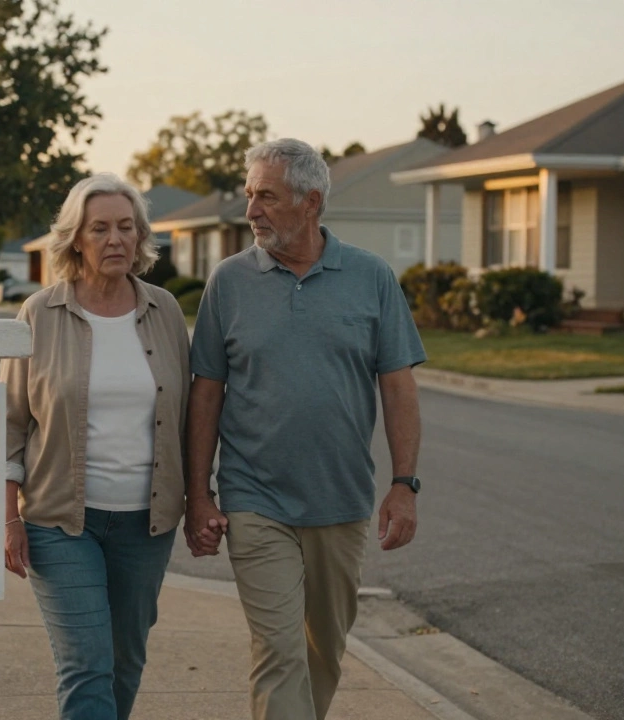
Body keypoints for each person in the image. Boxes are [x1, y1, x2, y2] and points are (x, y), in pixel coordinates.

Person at [184, 139, 426, 720]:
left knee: (325, 651)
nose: (251, 211)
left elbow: (397, 386)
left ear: (311, 201)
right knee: (279, 649)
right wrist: (199, 493)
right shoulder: (229, 282)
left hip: (339, 500)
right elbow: (207, 392)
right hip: (254, 497)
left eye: (266, 196)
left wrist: (404, 484)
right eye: (249, 195)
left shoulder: (370, 276)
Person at [0, 173, 191, 720]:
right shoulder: (40, 314)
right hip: (59, 520)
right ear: (75, 239)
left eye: (126, 228)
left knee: (125, 660)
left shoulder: (165, 312)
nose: (116, 240)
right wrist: (7, 519)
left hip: (145, 524)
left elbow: (189, 418)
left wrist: (200, 497)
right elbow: (9, 424)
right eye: (100, 228)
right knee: (86, 662)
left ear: (140, 237)